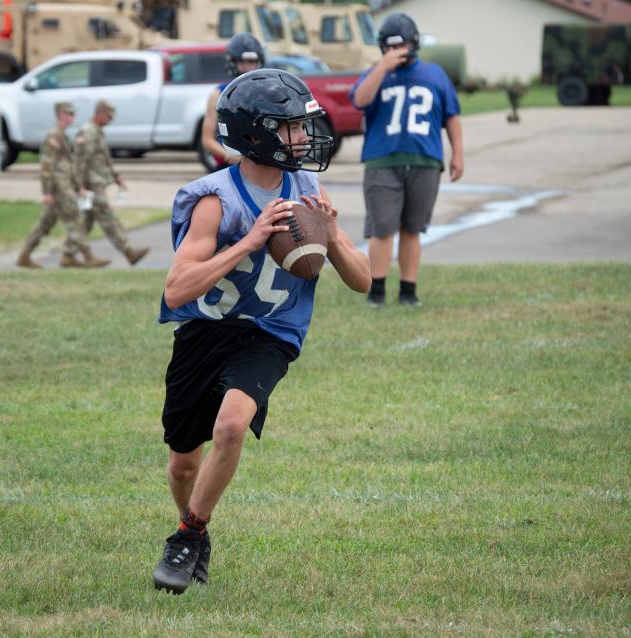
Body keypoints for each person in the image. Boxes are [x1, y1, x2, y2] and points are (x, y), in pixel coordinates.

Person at [152, 69, 371, 594]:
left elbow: (362, 281)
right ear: (255, 133)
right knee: (183, 463)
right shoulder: (214, 199)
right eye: (291, 127)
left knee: (231, 425)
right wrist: (248, 241)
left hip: (271, 332)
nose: (303, 137)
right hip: (205, 331)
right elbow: (178, 289)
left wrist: (334, 237)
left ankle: (186, 534)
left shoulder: (308, 187)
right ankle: (195, 534)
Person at [349, 12, 464, 307]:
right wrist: (382, 68)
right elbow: (360, 100)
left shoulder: (435, 74)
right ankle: (376, 291)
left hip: (425, 160)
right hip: (382, 161)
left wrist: (458, 153)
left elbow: (451, 115)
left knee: (413, 228)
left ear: (414, 44)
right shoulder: (377, 74)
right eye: (390, 47)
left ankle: (408, 291)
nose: (396, 52)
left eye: (401, 46)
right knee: (382, 227)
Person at [16, 101, 110, 269]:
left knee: (45, 223)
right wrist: (47, 191)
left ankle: (25, 255)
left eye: (73, 114)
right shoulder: (54, 136)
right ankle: (88, 256)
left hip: (64, 185)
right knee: (75, 219)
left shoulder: (62, 136)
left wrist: (77, 186)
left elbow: (67, 165)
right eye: (69, 114)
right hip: (59, 187)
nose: (72, 117)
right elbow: (47, 165)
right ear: (60, 114)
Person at [73, 99, 150, 266]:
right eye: (108, 116)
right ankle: (129, 252)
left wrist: (116, 177)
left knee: (86, 221)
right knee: (108, 218)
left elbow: (103, 159)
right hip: (91, 187)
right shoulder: (87, 132)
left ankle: (68, 254)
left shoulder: (96, 131)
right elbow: (79, 162)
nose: (110, 120)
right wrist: (79, 187)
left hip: (96, 184)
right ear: (99, 113)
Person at [200, 32, 266, 169]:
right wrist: (228, 155)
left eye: (251, 62)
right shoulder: (218, 94)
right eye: (242, 62)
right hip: (229, 167)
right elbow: (207, 139)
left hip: (261, 165)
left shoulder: (265, 93)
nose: (247, 67)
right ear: (233, 62)